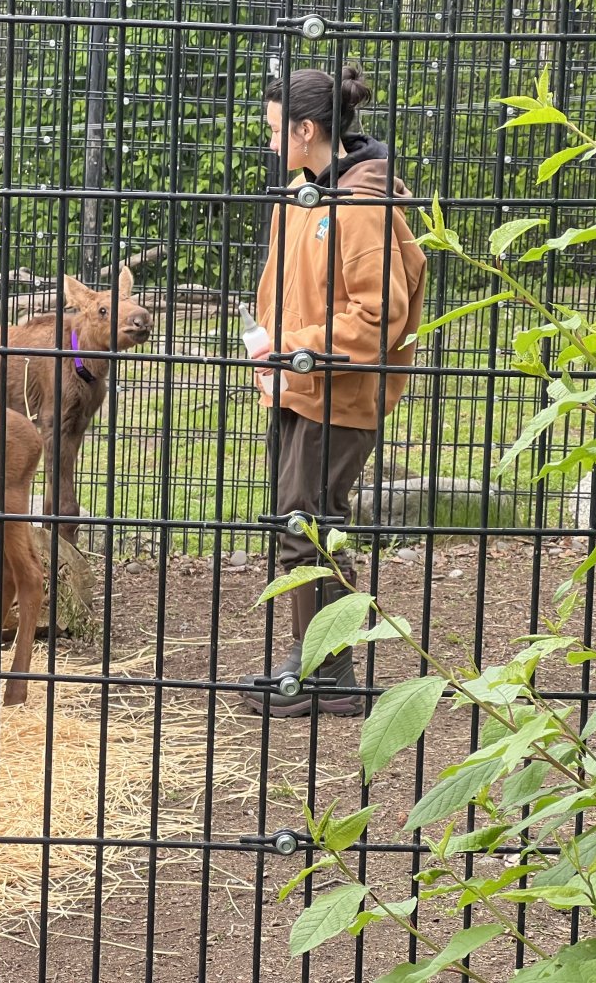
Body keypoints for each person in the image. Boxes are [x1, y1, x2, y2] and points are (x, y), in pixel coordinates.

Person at [239, 66, 428, 718]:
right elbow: (279, 287)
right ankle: (321, 662)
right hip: (296, 383)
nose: (269, 145)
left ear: (307, 130)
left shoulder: (362, 203)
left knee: (308, 522)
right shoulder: (302, 193)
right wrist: (270, 345)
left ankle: (326, 668)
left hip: (340, 393)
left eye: (273, 132)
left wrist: (296, 347)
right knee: (301, 521)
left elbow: (380, 316)